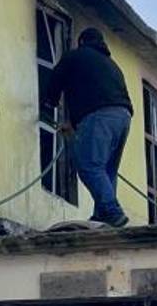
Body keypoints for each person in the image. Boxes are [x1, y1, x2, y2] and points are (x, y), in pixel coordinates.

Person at [44, 27, 134, 227]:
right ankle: (102, 214)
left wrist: (49, 104)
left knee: (89, 166)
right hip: (123, 118)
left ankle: (112, 211)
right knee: (107, 169)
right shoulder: (112, 65)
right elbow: (91, 90)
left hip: (99, 115)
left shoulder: (75, 56)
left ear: (82, 42)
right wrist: (74, 123)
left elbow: (57, 78)